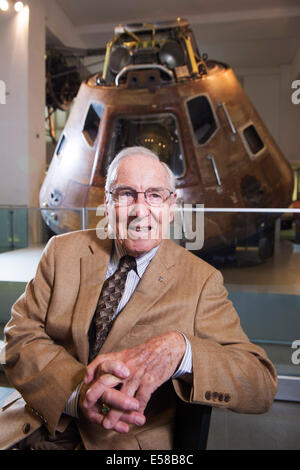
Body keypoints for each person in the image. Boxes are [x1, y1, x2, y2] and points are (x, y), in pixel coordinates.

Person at [0, 146, 277, 450]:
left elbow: (259, 383)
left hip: (121, 445)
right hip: (34, 425)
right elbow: (20, 336)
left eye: (155, 195)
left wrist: (182, 351)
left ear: (171, 208)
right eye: (126, 194)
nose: (140, 209)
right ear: (107, 204)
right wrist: (76, 394)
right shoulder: (61, 252)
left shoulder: (202, 282)